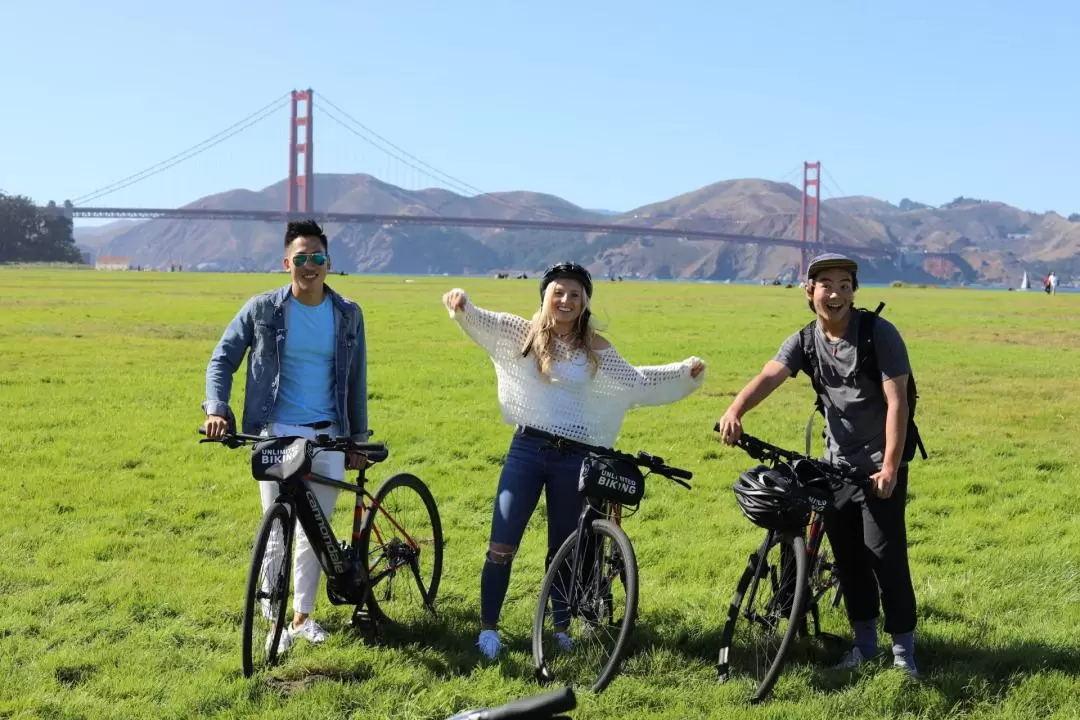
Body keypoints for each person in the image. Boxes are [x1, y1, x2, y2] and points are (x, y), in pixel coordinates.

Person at [442, 262, 706, 659]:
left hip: (575, 459)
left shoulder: (595, 347)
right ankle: (489, 630)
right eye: (558, 293)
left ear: (585, 303)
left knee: (564, 549)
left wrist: (684, 373)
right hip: (527, 452)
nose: (566, 300)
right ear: (545, 296)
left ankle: (560, 627)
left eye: (575, 295)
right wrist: (462, 304)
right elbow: (482, 322)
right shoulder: (522, 333)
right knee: (502, 544)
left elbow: (636, 382)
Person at [716, 252, 921, 678]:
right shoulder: (805, 340)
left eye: (845, 285)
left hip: (880, 464)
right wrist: (736, 409)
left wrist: (890, 468)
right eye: (827, 285)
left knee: (885, 559)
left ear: (854, 292)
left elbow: (897, 403)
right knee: (849, 561)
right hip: (835, 467)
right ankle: (865, 648)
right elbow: (770, 376)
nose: (837, 293)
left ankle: (904, 656)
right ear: (810, 292)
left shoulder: (878, 334)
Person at [202, 219, 369, 655]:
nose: (309, 265)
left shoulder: (348, 314)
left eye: (317, 257)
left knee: (318, 533)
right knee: (276, 527)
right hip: (276, 433)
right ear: (286, 263)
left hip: (328, 437)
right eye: (301, 258)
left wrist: (355, 440)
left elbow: (355, 381)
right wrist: (217, 409)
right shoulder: (263, 310)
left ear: (328, 263)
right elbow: (222, 360)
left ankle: (302, 618)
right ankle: (272, 623)